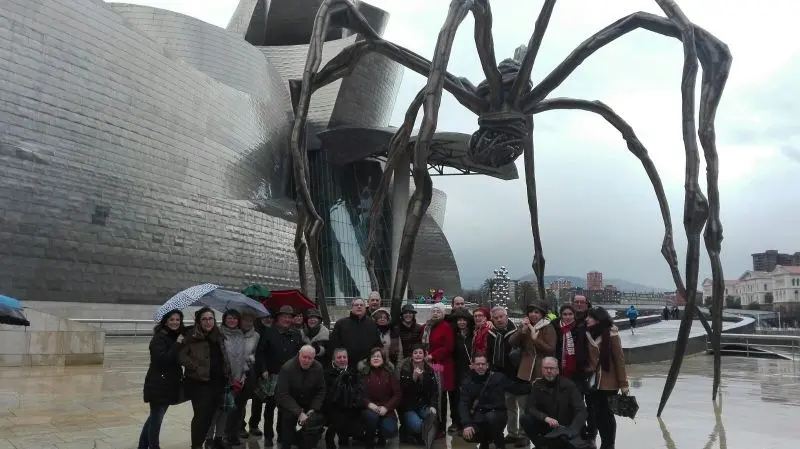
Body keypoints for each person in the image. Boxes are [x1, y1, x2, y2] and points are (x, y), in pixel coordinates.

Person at [253, 305, 305, 447]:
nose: (287, 319)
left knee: (286, 409)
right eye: (284, 317)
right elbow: (260, 352)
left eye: (290, 317)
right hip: (271, 376)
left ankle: (283, 434)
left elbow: (300, 353)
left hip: (289, 377)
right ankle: (268, 436)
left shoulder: (296, 334)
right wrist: (263, 369)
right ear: (278, 318)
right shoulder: (268, 332)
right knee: (270, 408)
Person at [180, 307, 231, 449]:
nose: (208, 322)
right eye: (204, 319)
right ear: (199, 321)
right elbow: (181, 356)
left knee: (209, 416)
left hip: (217, 383)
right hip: (198, 383)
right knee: (200, 417)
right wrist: (195, 366)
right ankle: (196, 446)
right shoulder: (191, 336)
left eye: (210, 319)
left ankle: (202, 442)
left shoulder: (219, 335)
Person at [138, 309, 185, 449]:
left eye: (178, 320)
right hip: (158, 385)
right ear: (165, 321)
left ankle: (142, 446)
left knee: (154, 417)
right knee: (157, 419)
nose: (175, 322)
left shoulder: (173, 336)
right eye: (172, 319)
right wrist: (178, 344)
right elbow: (163, 360)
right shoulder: (159, 338)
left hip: (168, 384)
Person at [520, 357, 587, 449]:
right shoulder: (537, 385)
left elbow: (581, 410)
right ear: (542, 370)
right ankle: (542, 445)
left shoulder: (569, 385)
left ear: (557, 370)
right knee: (525, 419)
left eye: (551, 368)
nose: (549, 371)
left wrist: (572, 429)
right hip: (547, 425)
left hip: (565, 427)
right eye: (546, 368)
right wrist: (545, 418)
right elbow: (530, 407)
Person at [586, 307, 629, 449]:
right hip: (593, 381)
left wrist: (624, 384)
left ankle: (608, 444)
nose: (587, 319)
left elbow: (619, 360)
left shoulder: (612, 335)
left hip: (609, 382)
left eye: (590, 317)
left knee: (607, 415)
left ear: (598, 320)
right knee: (595, 414)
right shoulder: (587, 334)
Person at [205, 310, 246, 448]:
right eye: (229, 318)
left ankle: (219, 437)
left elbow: (243, 357)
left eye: (235, 318)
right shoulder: (218, 334)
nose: (232, 320)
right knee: (215, 411)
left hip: (237, 379)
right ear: (224, 319)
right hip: (221, 379)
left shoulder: (241, 335)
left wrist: (242, 375)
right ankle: (209, 438)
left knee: (225, 411)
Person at [275, 346, 327, 449]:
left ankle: (305, 443)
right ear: (299, 354)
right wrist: (299, 412)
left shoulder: (318, 367)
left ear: (314, 358)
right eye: (304, 357)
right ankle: (286, 443)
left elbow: (321, 390)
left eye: (310, 358)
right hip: (289, 402)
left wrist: (313, 408)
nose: (306, 360)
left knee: (315, 420)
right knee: (288, 423)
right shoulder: (287, 368)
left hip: (308, 402)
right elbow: (283, 394)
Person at [486, 306, 524, 447]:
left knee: (523, 408)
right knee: (509, 407)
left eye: (501, 316)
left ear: (507, 316)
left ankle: (523, 435)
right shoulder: (491, 333)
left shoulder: (517, 331)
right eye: (496, 318)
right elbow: (489, 354)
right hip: (502, 376)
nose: (499, 320)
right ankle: (512, 433)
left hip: (520, 376)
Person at [459, 353, 509, 449]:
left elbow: (512, 387)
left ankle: (499, 443)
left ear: (487, 365)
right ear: (472, 365)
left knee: (491, 419)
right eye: (478, 364)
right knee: (467, 434)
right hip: (479, 417)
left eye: (483, 364)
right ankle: (484, 442)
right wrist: (467, 424)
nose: (480, 366)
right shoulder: (467, 382)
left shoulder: (498, 377)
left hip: (497, 416)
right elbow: (463, 403)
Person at [422, 302, 455, 437]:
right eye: (434, 311)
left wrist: (432, 355)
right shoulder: (427, 326)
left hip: (440, 365)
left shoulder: (446, 327)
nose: (435, 313)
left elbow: (448, 347)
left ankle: (441, 427)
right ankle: (431, 424)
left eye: (438, 311)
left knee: (440, 396)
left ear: (443, 314)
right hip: (428, 364)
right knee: (432, 394)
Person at [397, 345, 439, 448]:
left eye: (420, 353)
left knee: (433, 418)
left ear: (424, 355)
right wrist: (414, 379)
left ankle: (423, 437)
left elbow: (434, 391)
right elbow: (404, 392)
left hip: (423, 405)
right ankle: (407, 432)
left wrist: (433, 406)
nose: (418, 355)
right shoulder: (405, 369)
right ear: (411, 356)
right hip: (409, 407)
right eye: (415, 353)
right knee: (417, 426)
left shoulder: (429, 369)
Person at [359, 347, 401, 449]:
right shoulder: (363, 373)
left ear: (383, 359)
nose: (376, 358)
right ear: (369, 359)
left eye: (378, 356)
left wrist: (386, 407)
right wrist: (369, 404)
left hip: (386, 410)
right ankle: (369, 439)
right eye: (373, 356)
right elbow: (359, 394)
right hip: (369, 408)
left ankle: (382, 436)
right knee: (372, 418)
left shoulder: (390, 373)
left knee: (390, 430)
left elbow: (397, 394)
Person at [324, 348, 364, 449]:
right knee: (339, 421)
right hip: (333, 407)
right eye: (339, 357)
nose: (342, 359)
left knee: (357, 431)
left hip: (351, 406)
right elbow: (325, 394)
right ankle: (330, 435)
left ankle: (345, 436)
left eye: (344, 357)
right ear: (333, 359)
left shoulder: (354, 372)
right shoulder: (326, 373)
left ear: (347, 358)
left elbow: (359, 390)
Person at [231, 313, 261, 442]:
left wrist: (252, 357)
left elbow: (255, 352)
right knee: (231, 403)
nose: (248, 323)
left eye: (250, 320)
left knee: (242, 402)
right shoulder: (233, 333)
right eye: (245, 320)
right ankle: (230, 431)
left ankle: (239, 428)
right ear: (240, 320)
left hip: (248, 372)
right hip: (233, 373)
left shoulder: (256, 336)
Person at [330, 298, 382, 370]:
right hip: (346, 366)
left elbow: (377, 344)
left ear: (365, 308)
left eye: (361, 305)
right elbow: (334, 346)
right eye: (356, 305)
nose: (359, 306)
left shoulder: (372, 323)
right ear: (352, 307)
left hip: (367, 366)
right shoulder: (341, 324)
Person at [510, 303, 556, 382]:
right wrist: (521, 331)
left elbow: (551, 349)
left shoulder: (548, 327)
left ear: (542, 314)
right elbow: (512, 343)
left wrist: (536, 340)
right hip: (526, 367)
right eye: (530, 312)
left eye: (536, 312)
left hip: (542, 367)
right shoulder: (525, 325)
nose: (533, 314)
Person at [247, 314, 274, 437]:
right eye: (265, 317)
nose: (268, 319)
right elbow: (258, 352)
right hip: (258, 370)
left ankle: (267, 428)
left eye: (270, 317)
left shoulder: (275, 331)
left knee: (271, 401)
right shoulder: (256, 331)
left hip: (272, 370)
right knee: (257, 399)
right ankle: (253, 425)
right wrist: (263, 368)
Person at [552, 305, 590, 387]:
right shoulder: (554, 327)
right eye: (565, 314)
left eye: (570, 314)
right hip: (558, 365)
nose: (568, 317)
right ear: (561, 315)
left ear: (574, 315)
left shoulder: (581, 327)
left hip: (577, 366)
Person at [450, 307, 474, 434]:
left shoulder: (473, 333)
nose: (462, 322)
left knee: (468, 397)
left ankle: (468, 422)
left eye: (464, 320)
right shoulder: (453, 334)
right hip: (457, 369)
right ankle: (457, 422)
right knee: (456, 397)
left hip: (470, 369)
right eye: (459, 320)